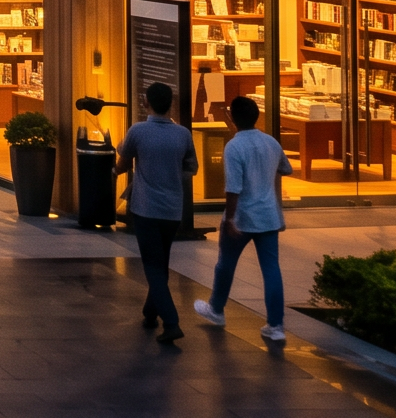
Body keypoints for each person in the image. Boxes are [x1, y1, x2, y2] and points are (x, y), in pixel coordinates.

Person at [196, 93, 292, 343]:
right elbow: (286, 168)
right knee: (271, 270)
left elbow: (233, 187)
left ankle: (216, 309)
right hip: (269, 215)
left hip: (243, 216)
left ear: (232, 118)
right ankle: (276, 324)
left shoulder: (235, 146)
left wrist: (230, 219)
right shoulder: (271, 142)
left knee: (225, 264)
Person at [118, 81, 198, 343]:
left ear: (145, 102)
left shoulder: (138, 131)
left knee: (152, 265)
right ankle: (150, 311)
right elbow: (192, 167)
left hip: (145, 207)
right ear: (171, 104)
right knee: (161, 261)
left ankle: (171, 322)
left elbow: (123, 161)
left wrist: (114, 172)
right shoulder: (183, 134)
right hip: (173, 208)